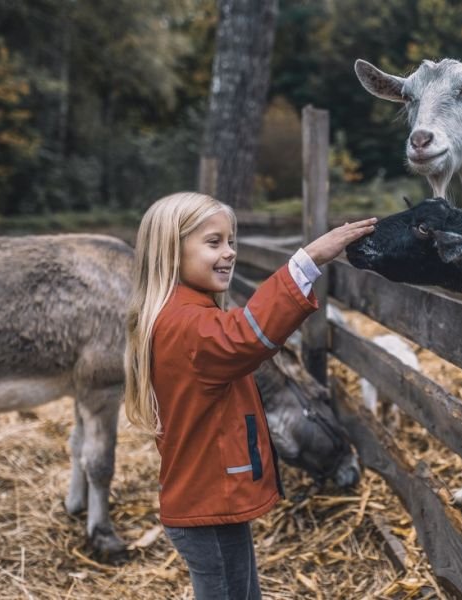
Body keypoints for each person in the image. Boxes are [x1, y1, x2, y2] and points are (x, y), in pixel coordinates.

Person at [124, 191, 376, 599]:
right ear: (172, 251)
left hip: (208, 505)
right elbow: (248, 337)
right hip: (207, 508)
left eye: (231, 241)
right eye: (213, 242)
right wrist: (307, 261)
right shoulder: (185, 324)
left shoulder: (181, 313)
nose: (229, 253)